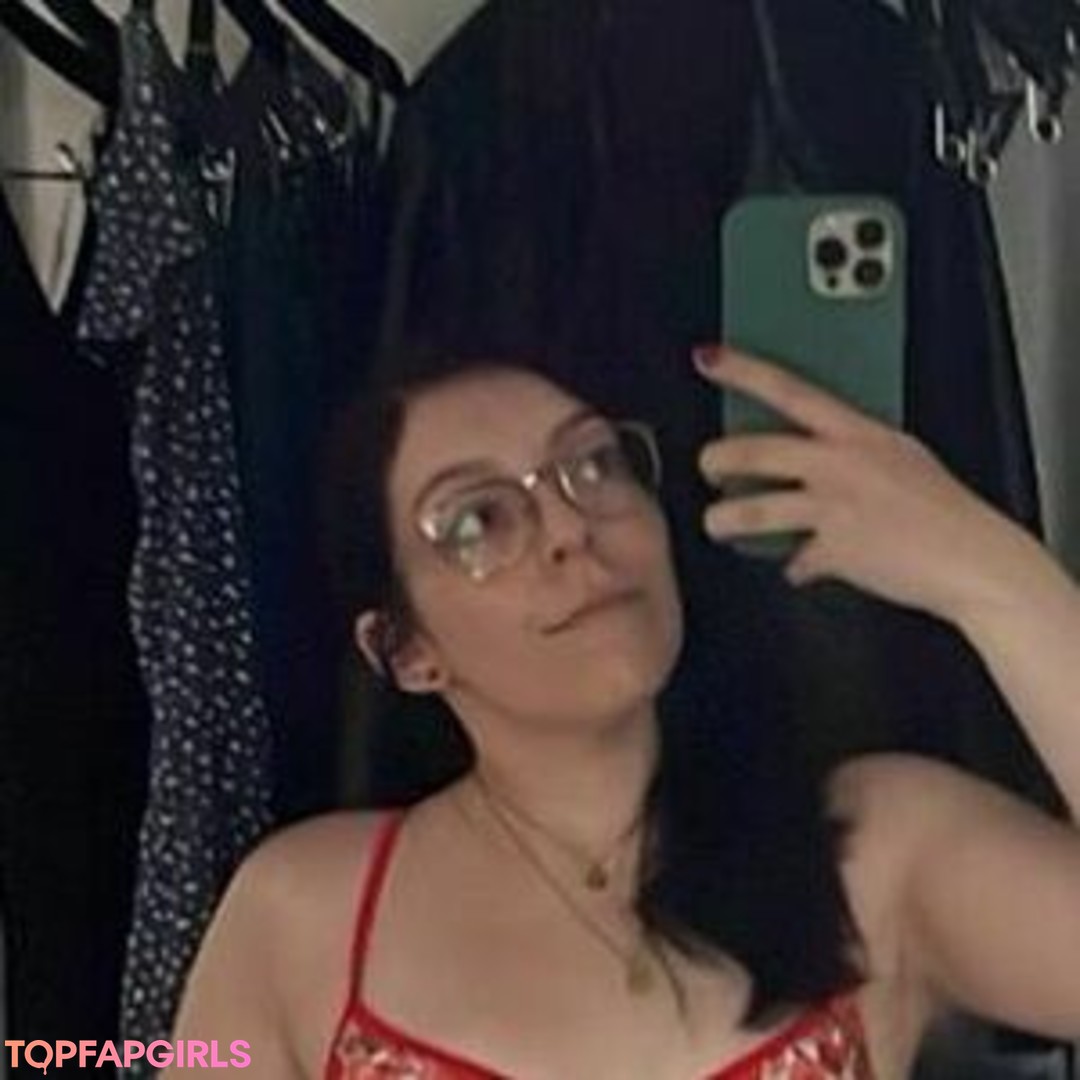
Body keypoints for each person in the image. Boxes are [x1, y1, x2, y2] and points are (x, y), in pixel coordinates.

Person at [164, 343, 1080, 1080]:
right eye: (478, 521)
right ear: (404, 650)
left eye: (592, 465)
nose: (571, 529)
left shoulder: (873, 849)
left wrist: (988, 573)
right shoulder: (301, 911)